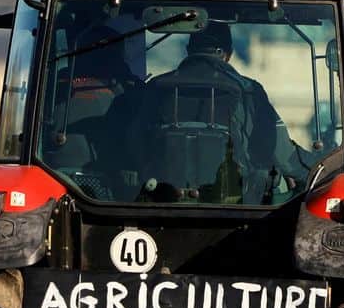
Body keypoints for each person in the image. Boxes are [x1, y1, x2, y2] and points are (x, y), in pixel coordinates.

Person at [124, 21, 308, 203]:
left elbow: (133, 145)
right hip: (236, 209)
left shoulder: (156, 87)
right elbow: (281, 154)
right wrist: (308, 172)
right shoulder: (248, 91)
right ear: (228, 54)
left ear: (189, 50)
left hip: (161, 203)